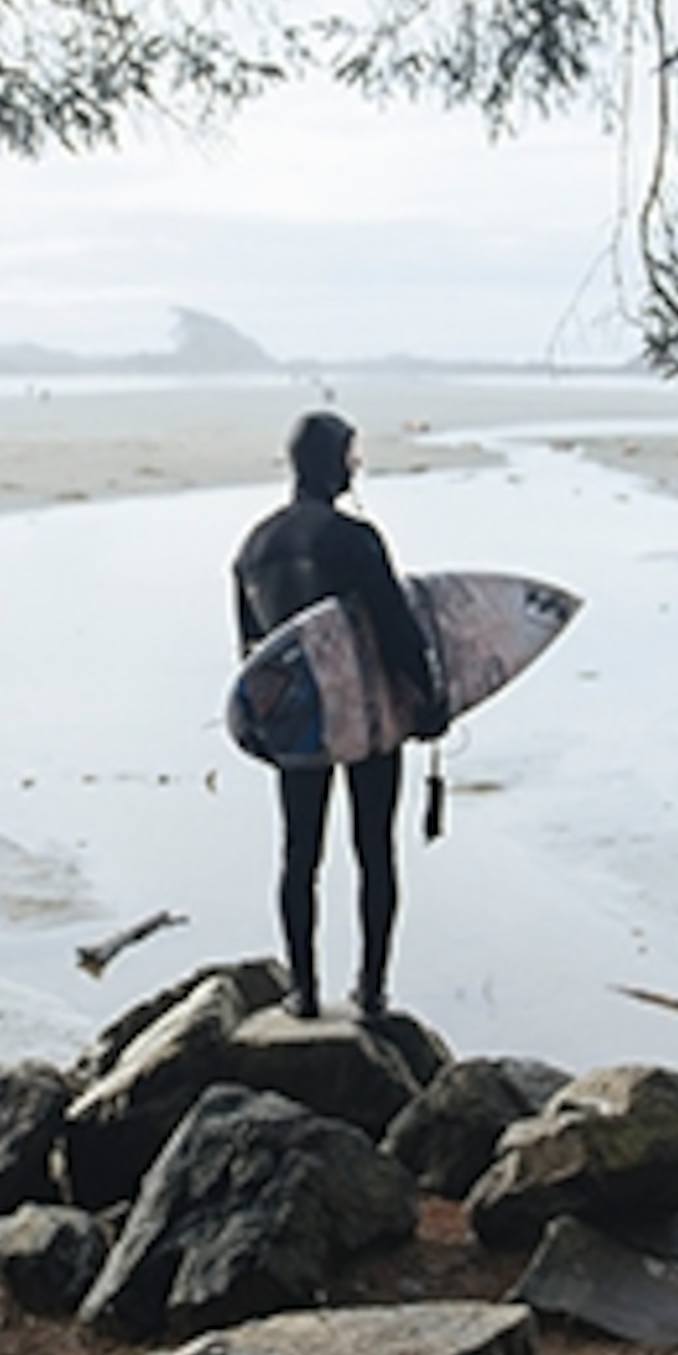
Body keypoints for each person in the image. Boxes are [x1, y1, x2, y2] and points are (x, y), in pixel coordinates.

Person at [233, 411, 445, 1018]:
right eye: (351, 454)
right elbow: (395, 626)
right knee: (374, 852)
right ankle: (371, 989)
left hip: (298, 724)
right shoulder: (355, 539)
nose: (357, 465)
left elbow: (253, 656)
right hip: (367, 716)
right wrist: (430, 700)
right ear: (333, 460)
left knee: (299, 856)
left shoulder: (253, 547)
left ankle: (303, 992)